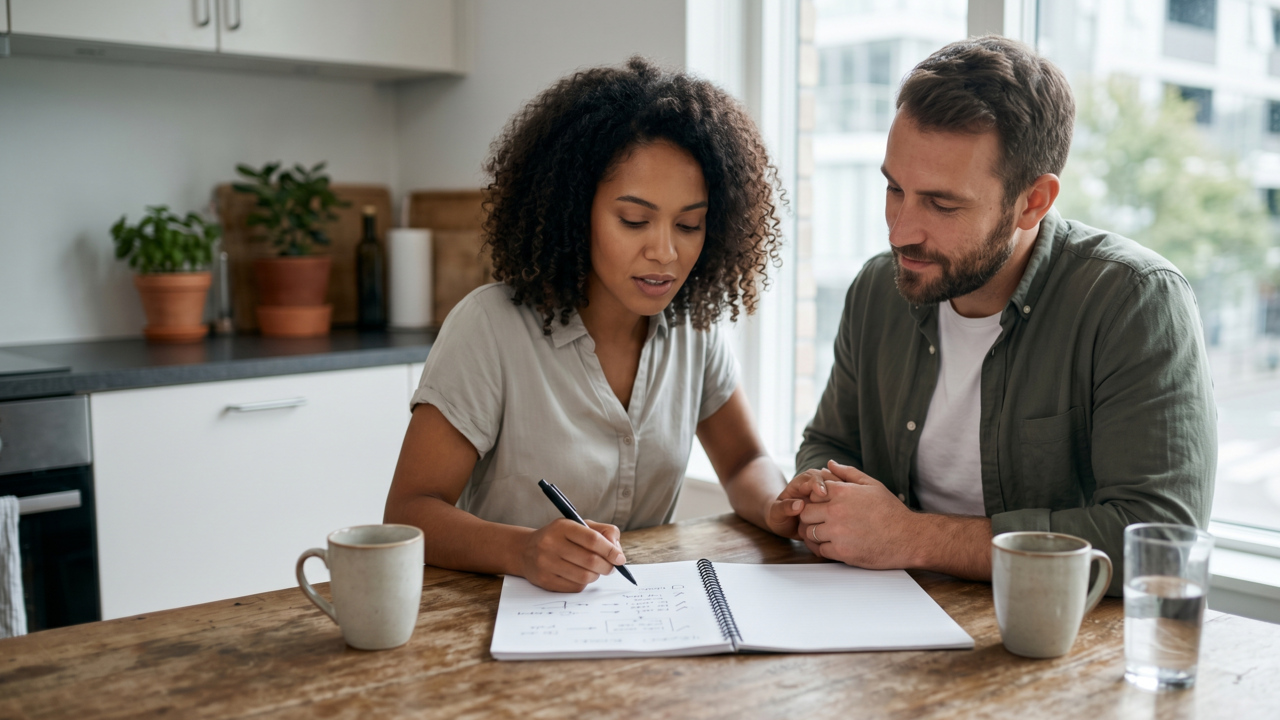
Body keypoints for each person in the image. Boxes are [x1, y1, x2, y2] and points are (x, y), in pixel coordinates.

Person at [777, 36, 1216, 594]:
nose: (900, 231)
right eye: (894, 189)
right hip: (885, 614)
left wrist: (913, 537)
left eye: (941, 204)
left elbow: (1160, 542)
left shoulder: (1135, 301)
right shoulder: (876, 289)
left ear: (1033, 201)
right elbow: (831, 444)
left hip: (1059, 642)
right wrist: (817, 493)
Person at [385, 57, 803, 593]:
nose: (665, 252)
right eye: (634, 220)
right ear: (574, 209)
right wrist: (523, 549)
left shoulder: (692, 331)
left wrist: (776, 505)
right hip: (499, 619)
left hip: (644, 617)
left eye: (689, 224)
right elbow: (410, 512)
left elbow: (745, 461)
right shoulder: (489, 328)